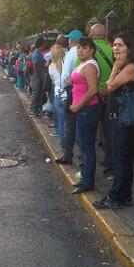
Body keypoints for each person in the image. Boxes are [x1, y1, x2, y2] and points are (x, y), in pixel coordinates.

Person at [93, 32, 134, 209]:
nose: (116, 48)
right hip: (119, 118)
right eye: (114, 45)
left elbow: (110, 86)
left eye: (120, 45)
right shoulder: (124, 66)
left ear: (129, 48)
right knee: (124, 159)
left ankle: (115, 197)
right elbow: (108, 88)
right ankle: (124, 195)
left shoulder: (130, 67)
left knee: (121, 160)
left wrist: (115, 68)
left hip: (124, 119)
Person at [69, 37, 101, 194]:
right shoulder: (83, 64)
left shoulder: (90, 66)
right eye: (79, 47)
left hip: (88, 110)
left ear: (92, 50)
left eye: (84, 47)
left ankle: (88, 181)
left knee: (87, 146)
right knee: (82, 144)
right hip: (83, 110)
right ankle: (84, 178)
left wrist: (77, 106)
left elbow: (93, 90)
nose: (80, 50)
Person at [89, 23, 115, 179]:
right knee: (108, 131)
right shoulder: (112, 50)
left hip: (92, 96)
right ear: (105, 36)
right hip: (110, 94)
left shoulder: (87, 52)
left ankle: (87, 167)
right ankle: (109, 166)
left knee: (89, 133)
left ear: (91, 36)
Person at [55, 30, 83, 165]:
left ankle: (68, 155)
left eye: (69, 39)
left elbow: (65, 75)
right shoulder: (84, 53)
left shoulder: (71, 53)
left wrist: (63, 93)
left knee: (70, 128)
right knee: (80, 128)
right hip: (82, 93)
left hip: (71, 93)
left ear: (72, 40)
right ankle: (81, 156)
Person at [48, 45, 66, 147]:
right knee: (70, 123)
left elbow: (52, 81)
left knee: (61, 121)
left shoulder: (51, 66)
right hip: (67, 94)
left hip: (57, 94)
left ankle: (63, 144)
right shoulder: (66, 64)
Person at [28, 37, 46, 116]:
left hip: (38, 77)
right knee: (35, 94)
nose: (45, 46)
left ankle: (35, 109)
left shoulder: (38, 52)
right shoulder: (36, 53)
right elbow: (35, 66)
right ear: (40, 45)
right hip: (37, 78)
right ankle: (32, 110)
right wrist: (39, 77)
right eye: (44, 45)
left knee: (38, 94)